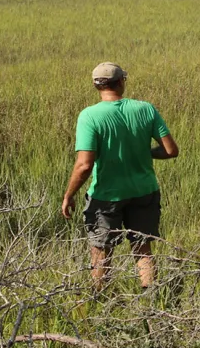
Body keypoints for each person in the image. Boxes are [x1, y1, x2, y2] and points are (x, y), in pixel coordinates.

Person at [61, 62, 180, 290]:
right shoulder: (146, 109)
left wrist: (69, 195)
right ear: (121, 82)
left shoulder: (89, 116)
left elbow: (84, 165)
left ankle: (100, 301)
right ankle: (150, 301)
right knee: (143, 249)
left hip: (106, 196)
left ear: (96, 86)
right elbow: (171, 150)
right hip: (145, 191)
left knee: (101, 252)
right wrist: (142, 152)